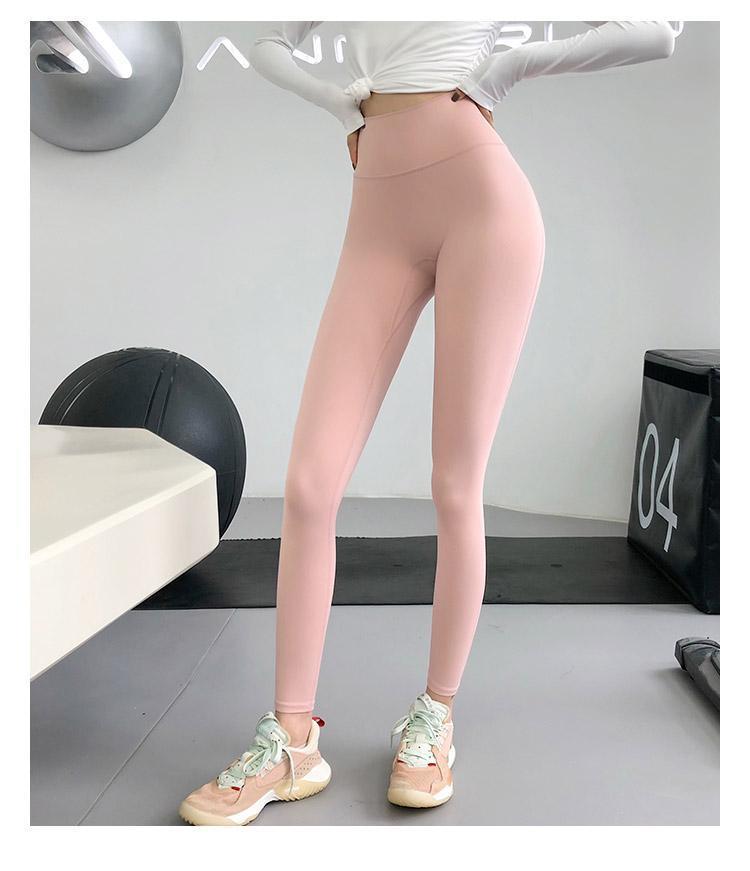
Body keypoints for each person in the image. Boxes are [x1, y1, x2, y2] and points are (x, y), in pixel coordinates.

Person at [179, 20, 676, 826]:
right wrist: (337, 102)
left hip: (484, 203)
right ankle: (293, 739)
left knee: (454, 484)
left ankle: (435, 716)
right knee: (309, 485)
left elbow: (655, 31)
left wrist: (512, 65)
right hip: (379, 208)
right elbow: (269, 43)